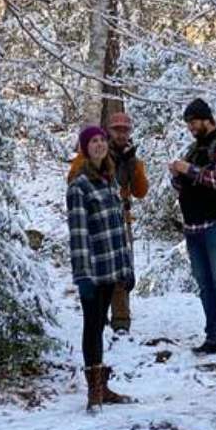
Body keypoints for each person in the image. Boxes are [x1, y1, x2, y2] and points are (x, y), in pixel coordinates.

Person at [67, 125, 135, 411]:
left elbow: (119, 229)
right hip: (93, 271)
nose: (99, 145)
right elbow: (78, 234)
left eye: (102, 140)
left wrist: (126, 268)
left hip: (111, 268)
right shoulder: (79, 186)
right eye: (93, 141)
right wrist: (83, 275)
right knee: (92, 325)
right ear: (85, 148)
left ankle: (103, 386)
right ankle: (94, 390)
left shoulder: (109, 180)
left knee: (100, 324)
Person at [168, 98, 216, 358]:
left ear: (206, 118)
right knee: (205, 285)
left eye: (193, 122)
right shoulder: (194, 150)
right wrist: (178, 176)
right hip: (194, 226)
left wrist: (189, 170)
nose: (190, 127)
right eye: (188, 123)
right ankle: (214, 337)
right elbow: (186, 184)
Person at [67, 112, 149, 333]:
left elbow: (141, 191)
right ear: (108, 131)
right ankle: (98, 314)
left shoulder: (130, 157)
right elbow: (73, 179)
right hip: (95, 220)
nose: (121, 134)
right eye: (116, 129)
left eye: (125, 130)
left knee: (121, 269)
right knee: (98, 267)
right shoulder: (90, 154)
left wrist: (134, 164)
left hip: (120, 218)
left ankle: (121, 319)